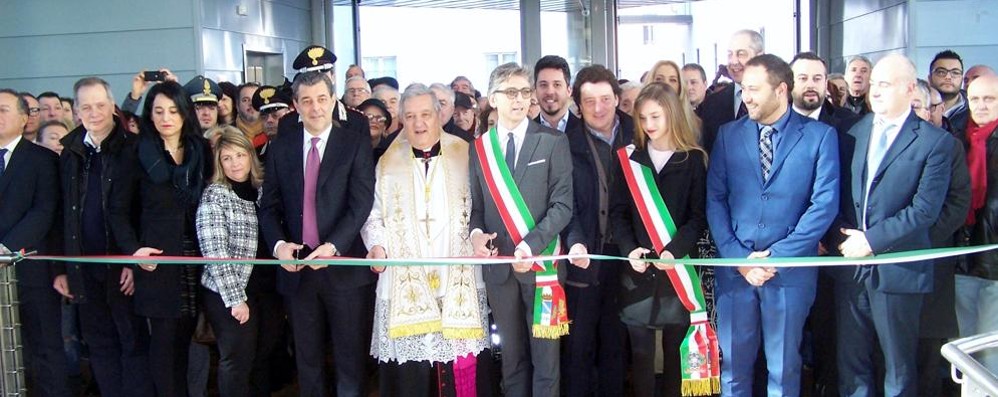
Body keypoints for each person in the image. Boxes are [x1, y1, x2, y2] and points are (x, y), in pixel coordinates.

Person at [706, 54, 840, 396]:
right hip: (736, 273)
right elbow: (715, 200)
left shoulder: (820, 137)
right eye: (744, 89)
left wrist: (777, 255)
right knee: (733, 368)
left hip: (789, 274)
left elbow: (823, 205)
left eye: (753, 89)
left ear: (780, 90)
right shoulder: (727, 135)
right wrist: (737, 257)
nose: (745, 96)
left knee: (783, 368)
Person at [831, 54, 953, 396]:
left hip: (898, 272)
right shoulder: (852, 132)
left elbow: (924, 210)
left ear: (910, 88)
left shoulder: (934, 142)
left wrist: (871, 241)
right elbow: (837, 195)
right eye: (874, 85)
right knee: (851, 367)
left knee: (898, 370)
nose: (876, 92)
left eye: (885, 84)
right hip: (851, 271)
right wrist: (842, 238)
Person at [362, 83, 490, 397]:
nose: (418, 124)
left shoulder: (466, 153)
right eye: (410, 116)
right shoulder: (387, 163)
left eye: (425, 115)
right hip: (405, 280)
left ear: (438, 115)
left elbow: (483, 207)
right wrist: (376, 245)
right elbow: (372, 215)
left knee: (460, 364)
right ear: (401, 120)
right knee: (411, 372)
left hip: (457, 277)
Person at [259, 71, 376, 397]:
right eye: (306, 101)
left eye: (322, 99)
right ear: (295, 105)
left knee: (350, 362)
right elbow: (268, 206)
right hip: (297, 273)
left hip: (343, 270)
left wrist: (334, 245)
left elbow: (361, 201)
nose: (315, 108)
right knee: (307, 364)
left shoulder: (353, 142)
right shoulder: (281, 147)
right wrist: (279, 246)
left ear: (333, 100)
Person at [470, 62, 573, 396]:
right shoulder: (480, 149)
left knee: (547, 361)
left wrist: (530, 246)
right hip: (500, 272)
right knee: (511, 359)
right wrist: (475, 236)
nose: (519, 100)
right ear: (492, 98)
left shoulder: (553, 141)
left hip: (542, 269)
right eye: (510, 92)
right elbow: (476, 209)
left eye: (525, 92)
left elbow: (562, 206)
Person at [108, 81, 212, 397]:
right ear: (149, 115)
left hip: (198, 261)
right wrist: (133, 251)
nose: (166, 117)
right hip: (157, 264)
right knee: (165, 349)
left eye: (173, 110)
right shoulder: (136, 153)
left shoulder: (201, 149)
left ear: (184, 113)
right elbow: (118, 211)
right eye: (158, 111)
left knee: (190, 342)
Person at [51, 77, 154, 397]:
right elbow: (60, 215)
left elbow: (145, 212)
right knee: (98, 344)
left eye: (100, 105)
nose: (94, 112)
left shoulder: (134, 148)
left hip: (122, 268)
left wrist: (133, 261)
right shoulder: (68, 153)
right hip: (82, 267)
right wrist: (60, 267)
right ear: (76, 111)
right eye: (86, 107)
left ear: (112, 106)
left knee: (133, 343)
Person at [610, 82, 712, 397]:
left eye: (656, 117)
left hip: (677, 272)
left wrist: (675, 251)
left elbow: (698, 217)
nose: (649, 126)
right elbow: (618, 213)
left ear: (672, 115)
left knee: (673, 356)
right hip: (637, 273)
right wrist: (630, 250)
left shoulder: (693, 159)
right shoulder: (628, 159)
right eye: (642, 119)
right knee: (640, 356)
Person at [561, 64, 632, 397]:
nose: (598, 108)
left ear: (617, 99)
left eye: (605, 98)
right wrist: (575, 243)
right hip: (584, 260)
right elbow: (565, 203)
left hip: (628, 260)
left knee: (617, 346)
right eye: (589, 101)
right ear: (577, 105)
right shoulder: (564, 143)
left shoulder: (639, 134)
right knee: (579, 347)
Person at [0, 88, 70, 396]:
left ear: (24, 116)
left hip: (32, 271)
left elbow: (45, 209)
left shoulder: (42, 159)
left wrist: (5, 248)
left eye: (2, 110)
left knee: (45, 349)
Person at [196, 128, 268, 397]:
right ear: (219, 163)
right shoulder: (215, 194)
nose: (235, 163)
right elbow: (215, 252)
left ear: (251, 156)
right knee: (236, 360)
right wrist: (235, 299)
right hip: (229, 291)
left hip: (264, 289)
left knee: (261, 356)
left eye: (240, 155)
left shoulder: (262, 189)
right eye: (227, 158)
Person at [955, 74, 998, 374]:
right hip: (961, 258)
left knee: (992, 354)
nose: (980, 105)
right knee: (965, 349)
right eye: (975, 99)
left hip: (994, 264)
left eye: (989, 99)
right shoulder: (957, 137)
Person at [697, 29, 765, 153]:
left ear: (760, 56)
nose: (734, 61)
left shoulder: (778, 100)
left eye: (741, 54)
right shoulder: (712, 104)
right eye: (730, 54)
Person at [534, 55, 580, 133]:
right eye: (543, 85)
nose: (550, 92)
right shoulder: (524, 134)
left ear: (569, 91)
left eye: (557, 85)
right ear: (535, 91)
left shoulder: (584, 133)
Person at [250, 85, 293, 160]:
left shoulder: (302, 148)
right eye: (264, 117)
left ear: (288, 114)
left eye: (275, 115)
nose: (269, 120)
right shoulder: (257, 152)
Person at [928, 50, 968, 130]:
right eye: (941, 72)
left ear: (962, 79)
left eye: (955, 73)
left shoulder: (974, 110)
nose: (948, 77)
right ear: (929, 78)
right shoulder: (916, 107)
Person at [237, 82, 265, 146]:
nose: (251, 103)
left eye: (256, 99)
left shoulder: (273, 133)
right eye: (245, 100)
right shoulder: (229, 135)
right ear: (237, 106)